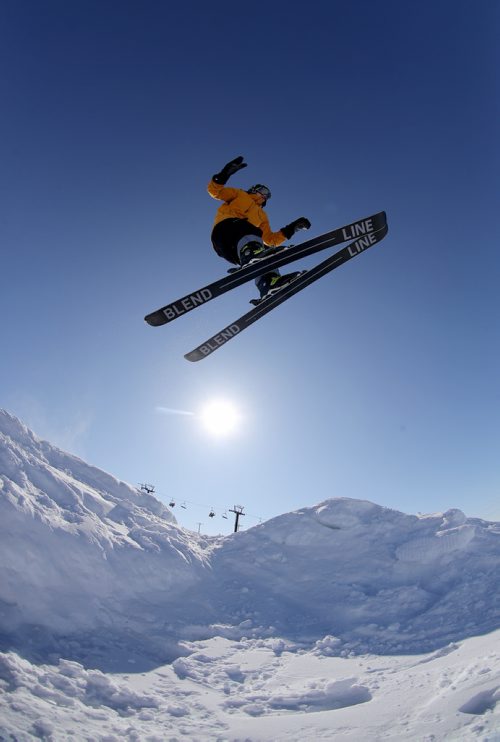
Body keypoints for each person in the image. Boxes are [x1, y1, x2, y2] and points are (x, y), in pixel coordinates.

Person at [208, 156, 311, 299]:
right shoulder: (240, 194)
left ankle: (269, 284)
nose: (264, 195)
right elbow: (216, 192)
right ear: (254, 189)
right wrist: (224, 174)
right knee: (249, 229)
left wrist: (294, 228)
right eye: (262, 190)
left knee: (267, 251)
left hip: (236, 251)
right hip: (225, 231)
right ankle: (251, 253)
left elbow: (270, 239)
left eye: (267, 195)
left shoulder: (262, 216)